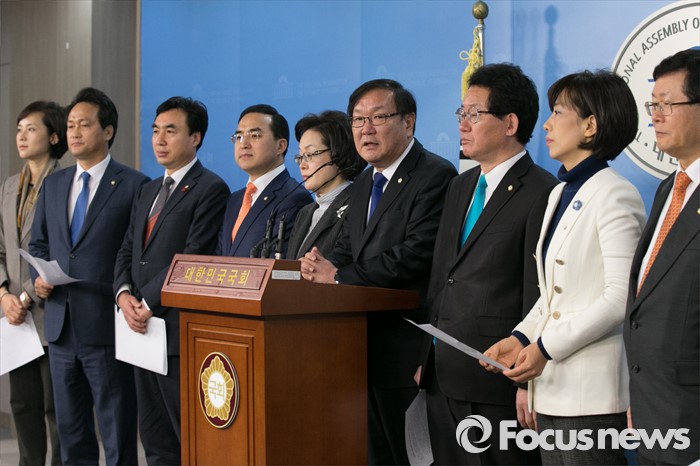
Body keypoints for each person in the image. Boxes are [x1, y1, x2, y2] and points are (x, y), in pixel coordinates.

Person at [482, 70, 646, 465]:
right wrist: (521, 337)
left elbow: (620, 298)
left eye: (558, 112)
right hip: (553, 388)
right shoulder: (560, 192)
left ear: (590, 125)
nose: (547, 124)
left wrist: (545, 348)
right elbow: (553, 293)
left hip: (591, 393)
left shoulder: (615, 193)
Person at [300, 79, 457, 464]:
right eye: (358, 120)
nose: (366, 129)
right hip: (358, 349)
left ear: (409, 122)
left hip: (407, 350)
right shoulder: (364, 183)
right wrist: (317, 265)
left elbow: (416, 254)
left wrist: (338, 276)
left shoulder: (434, 175)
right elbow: (345, 248)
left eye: (379, 117)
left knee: (412, 458)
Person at [415, 63, 557, 465]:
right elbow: (443, 277)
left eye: (474, 114)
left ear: (510, 123)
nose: (462, 124)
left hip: (496, 383)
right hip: (442, 376)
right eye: (461, 113)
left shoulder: (543, 191)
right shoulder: (460, 185)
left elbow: (538, 294)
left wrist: (527, 384)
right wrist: (426, 357)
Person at [29, 87, 149, 465]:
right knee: (71, 433)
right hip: (60, 327)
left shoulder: (134, 185)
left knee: (116, 431)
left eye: (84, 124)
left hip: (107, 326)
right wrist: (38, 277)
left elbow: (137, 253)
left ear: (108, 131)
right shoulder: (54, 184)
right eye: (70, 125)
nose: (75, 132)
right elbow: (38, 244)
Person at [113, 96, 230, 465]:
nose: (159, 140)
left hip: (176, 332)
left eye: (171, 131)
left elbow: (193, 257)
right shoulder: (147, 190)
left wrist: (147, 303)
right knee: (154, 439)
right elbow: (127, 249)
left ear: (195, 137)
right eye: (155, 131)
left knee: (186, 438)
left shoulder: (210, 188)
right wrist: (123, 295)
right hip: (138, 331)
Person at [624, 48, 699, 465]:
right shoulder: (668, 188)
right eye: (653, 105)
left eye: (668, 104)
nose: (656, 116)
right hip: (652, 418)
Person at [0, 100, 66, 466]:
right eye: (19, 130)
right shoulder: (9, 186)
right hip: (13, 316)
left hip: (49, 311)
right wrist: (3, 294)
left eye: (31, 129)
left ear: (54, 137)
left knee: (56, 407)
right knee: (22, 404)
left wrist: (24, 296)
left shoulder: (65, 184)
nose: (21, 136)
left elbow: (61, 251)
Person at [216, 104, 311, 258]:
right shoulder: (234, 200)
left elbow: (280, 262)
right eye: (239, 137)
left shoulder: (294, 197)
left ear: (280, 146)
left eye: (255, 135)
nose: (244, 144)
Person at [286, 110, 366, 259]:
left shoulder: (358, 206)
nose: (302, 165)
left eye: (310, 154)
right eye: (300, 156)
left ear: (338, 154)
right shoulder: (305, 212)